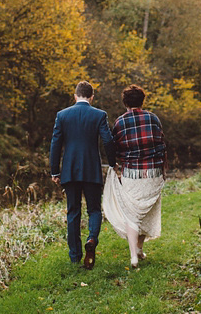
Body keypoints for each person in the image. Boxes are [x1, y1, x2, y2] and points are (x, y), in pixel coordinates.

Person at [49, 81, 117, 269]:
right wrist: (112, 163)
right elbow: (108, 141)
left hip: (70, 170)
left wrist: (55, 171)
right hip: (91, 170)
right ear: (92, 97)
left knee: (73, 212)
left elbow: (55, 144)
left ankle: (74, 256)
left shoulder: (62, 115)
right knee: (94, 209)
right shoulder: (99, 115)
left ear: (75, 96)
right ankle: (92, 238)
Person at [103, 84, 166, 269]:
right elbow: (162, 145)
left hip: (131, 173)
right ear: (142, 101)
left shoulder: (120, 122)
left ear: (125, 103)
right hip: (152, 172)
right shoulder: (153, 118)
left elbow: (115, 147)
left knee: (132, 214)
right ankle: (139, 248)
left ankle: (134, 255)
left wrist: (118, 164)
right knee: (146, 211)